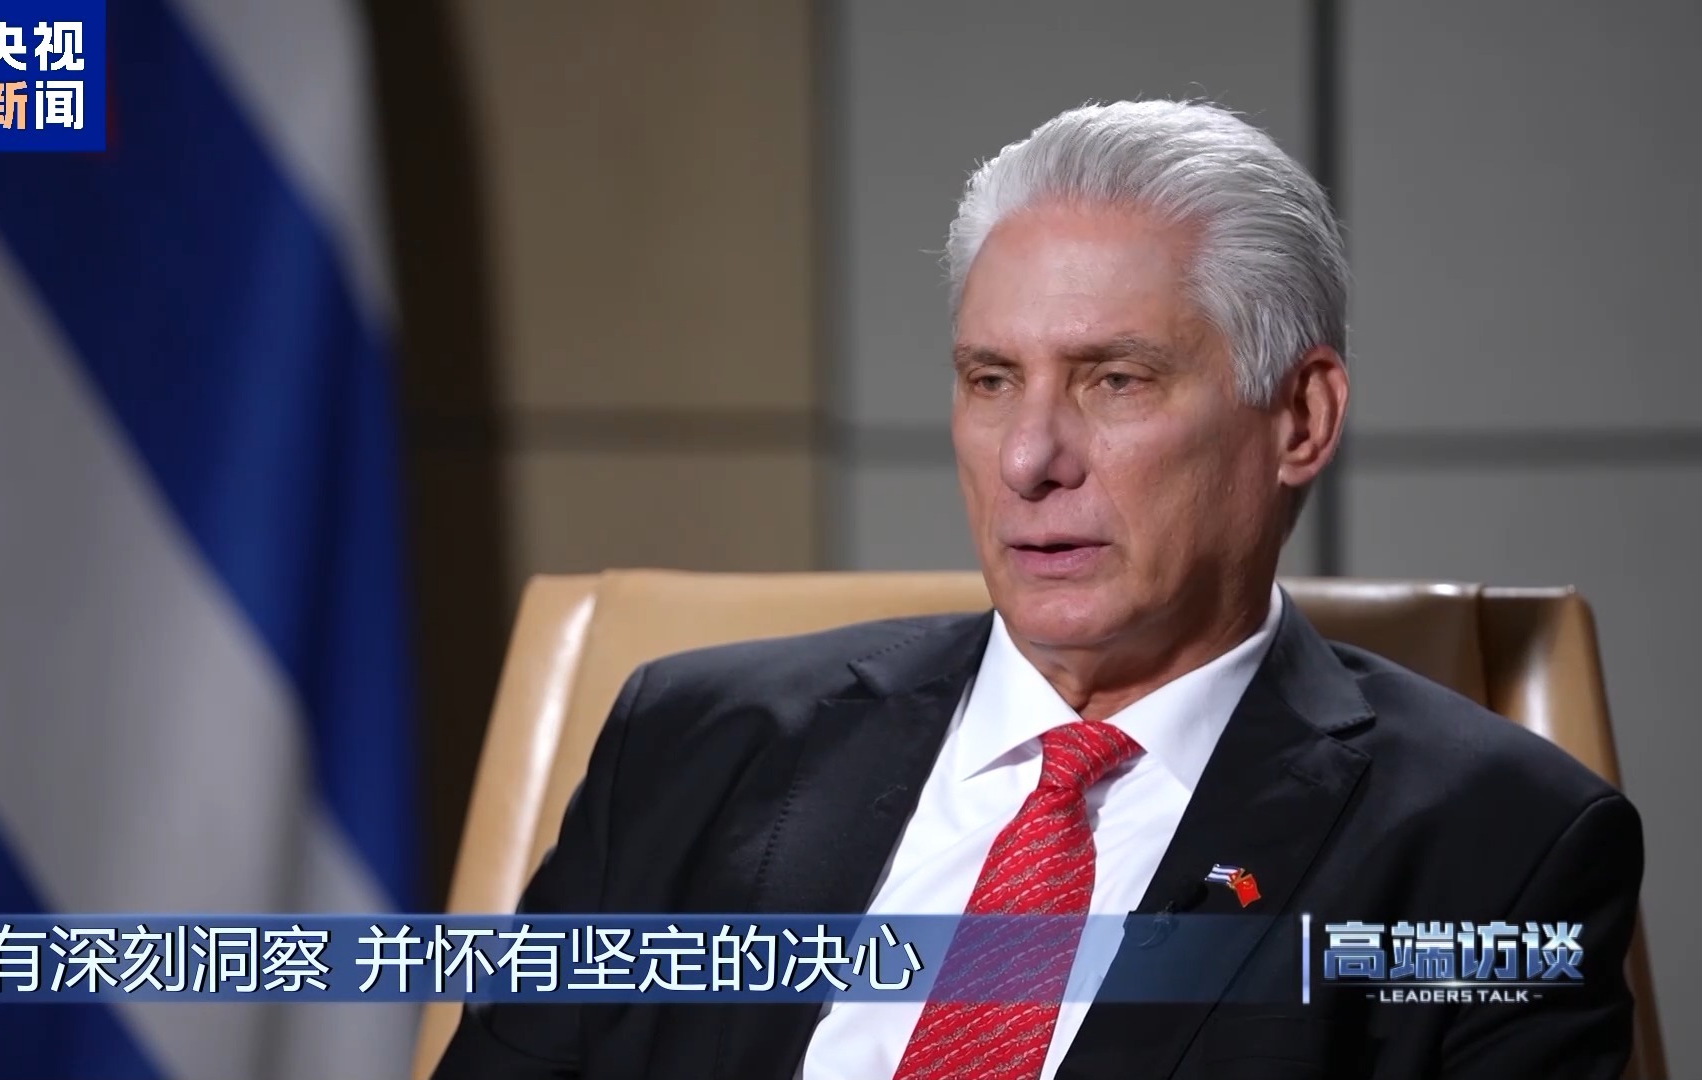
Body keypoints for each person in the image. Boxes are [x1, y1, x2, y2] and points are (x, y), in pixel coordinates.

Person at [436, 99, 1643, 1080]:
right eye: (991, 380)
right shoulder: (691, 746)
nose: (1028, 458)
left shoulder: (1498, 853)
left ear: (1300, 417)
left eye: (1115, 380)